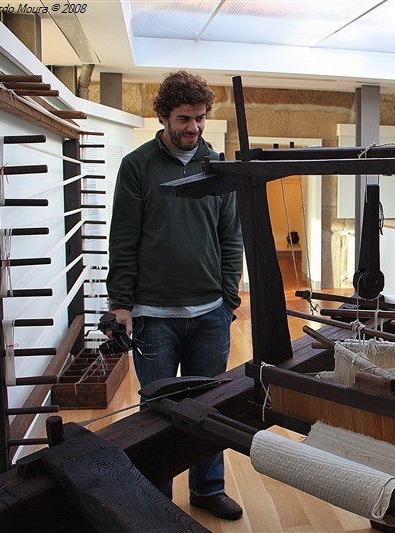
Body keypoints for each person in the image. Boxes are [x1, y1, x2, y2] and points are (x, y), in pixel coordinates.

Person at [107, 70, 244, 520]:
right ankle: (156, 502)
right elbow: (123, 239)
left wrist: (228, 300)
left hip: (210, 313)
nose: (194, 128)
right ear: (163, 115)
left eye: (201, 118)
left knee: (210, 407)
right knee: (159, 412)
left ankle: (207, 489)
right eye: (185, 118)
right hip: (153, 316)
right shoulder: (137, 166)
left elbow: (231, 238)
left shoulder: (216, 165)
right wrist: (121, 304)